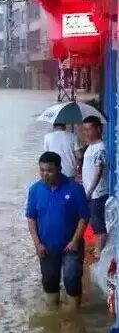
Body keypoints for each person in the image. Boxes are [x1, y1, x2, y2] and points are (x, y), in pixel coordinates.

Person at [26, 151, 89, 309]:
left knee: (72, 279)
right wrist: (37, 244)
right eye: (42, 170)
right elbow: (31, 219)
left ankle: (73, 316)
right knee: (49, 281)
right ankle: (53, 314)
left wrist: (75, 241)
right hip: (46, 247)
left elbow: (84, 217)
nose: (45, 174)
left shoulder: (75, 189)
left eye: (49, 170)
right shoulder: (35, 190)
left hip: (71, 246)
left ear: (59, 169)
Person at [82, 115, 109, 258]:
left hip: (97, 193)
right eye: (84, 129)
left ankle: (100, 254)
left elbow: (98, 172)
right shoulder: (91, 147)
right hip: (91, 192)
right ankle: (99, 250)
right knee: (95, 223)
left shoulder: (100, 148)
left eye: (89, 129)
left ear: (98, 129)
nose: (86, 132)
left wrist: (90, 191)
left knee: (99, 225)